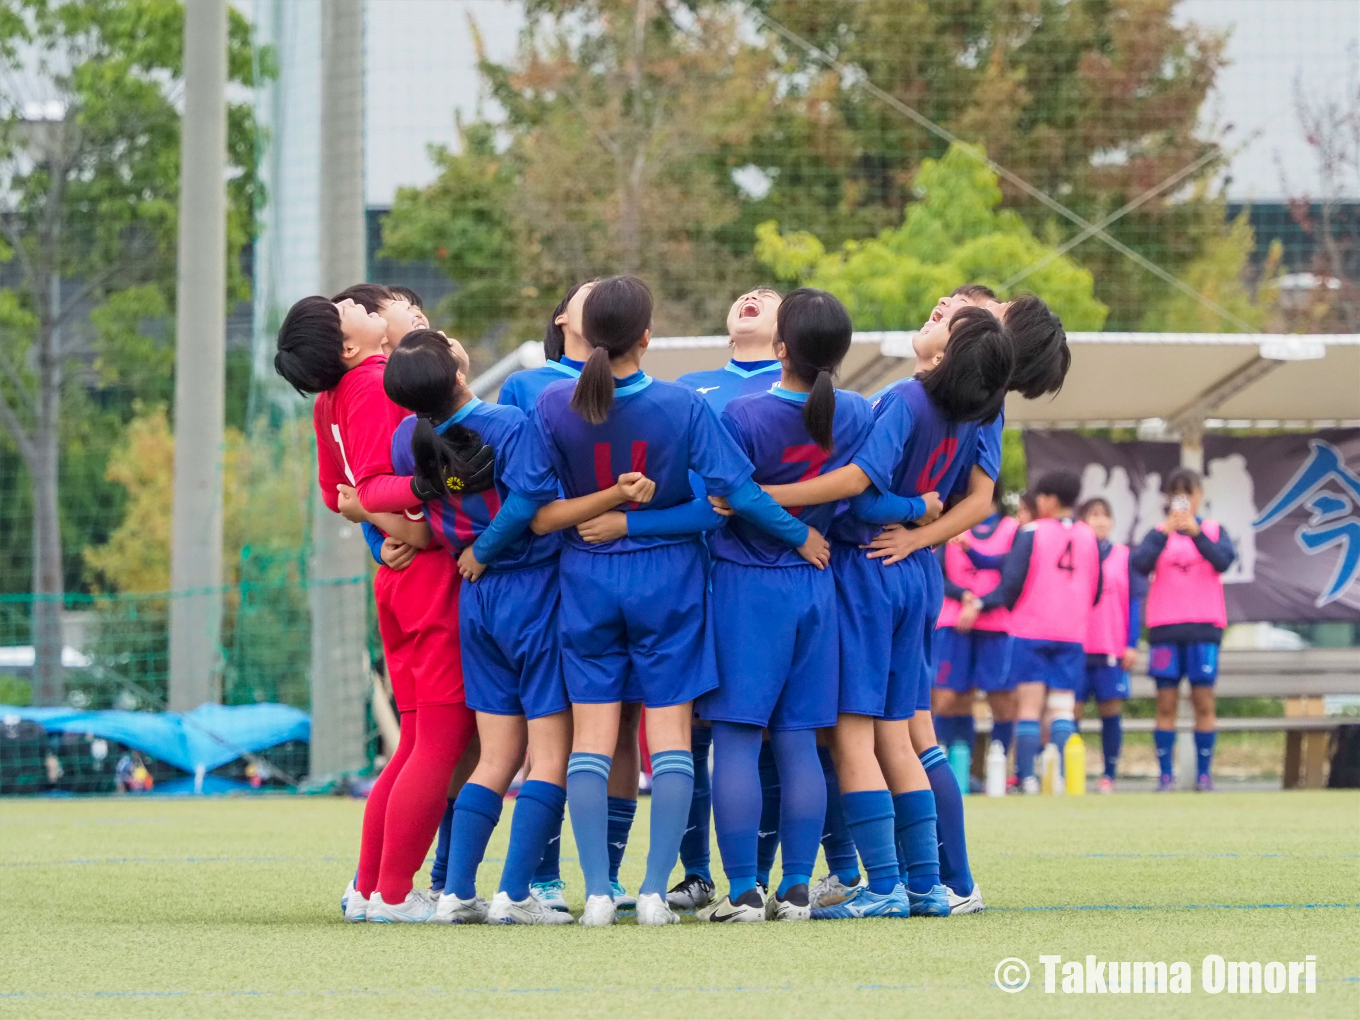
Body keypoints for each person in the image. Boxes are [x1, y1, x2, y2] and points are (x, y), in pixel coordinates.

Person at [530, 275, 827, 926]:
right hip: (670, 583)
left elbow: (538, 512)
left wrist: (608, 511)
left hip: (586, 579)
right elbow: (732, 500)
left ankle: (601, 895)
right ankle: (658, 892)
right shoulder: (684, 406)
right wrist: (800, 534)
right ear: (646, 336)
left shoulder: (551, 405)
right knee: (669, 739)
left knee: (594, 741)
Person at [758, 304, 1013, 919]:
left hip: (868, 568)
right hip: (914, 575)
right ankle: (925, 885)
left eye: (948, 320)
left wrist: (761, 496)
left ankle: (883, 886)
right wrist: (921, 509)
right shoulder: (968, 412)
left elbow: (862, 491)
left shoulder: (906, 397)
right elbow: (937, 500)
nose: (937, 314)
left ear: (947, 355)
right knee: (896, 734)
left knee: (851, 738)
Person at [274, 294, 475, 924]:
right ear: (350, 346)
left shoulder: (335, 394)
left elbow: (336, 493)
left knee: (415, 742)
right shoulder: (369, 384)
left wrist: (383, 522)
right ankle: (393, 894)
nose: (353, 306)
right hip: (428, 578)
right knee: (438, 743)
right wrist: (426, 493)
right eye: (343, 314)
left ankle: (369, 888)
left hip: (398, 582)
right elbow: (365, 486)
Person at [382, 331, 572, 925]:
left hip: (474, 602)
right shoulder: (509, 425)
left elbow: (408, 502)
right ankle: (516, 897)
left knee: (495, 757)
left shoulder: (404, 437)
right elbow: (530, 501)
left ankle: (456, 893)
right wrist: (486, 549)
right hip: (528, 590)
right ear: (459, 373)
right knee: (548, 757)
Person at [695, 288, 871, 923]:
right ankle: (796, 888)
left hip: (749, 587)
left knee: (738, 740)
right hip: (816, 586)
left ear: (779, 350)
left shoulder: (740, 415)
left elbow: (719, 498)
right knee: (799, 740)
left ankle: (742, 891)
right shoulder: (855, 413)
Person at [668, 285, 783, 912]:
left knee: (757, 726)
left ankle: (755, 873)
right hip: (689, 571)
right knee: (686, 730)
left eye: (767, 298)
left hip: (760, 576)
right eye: (742, 295)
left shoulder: (802, 389)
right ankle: (695, 873)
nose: (750, 298)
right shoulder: (690, 385)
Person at [976, 470, 1102, 796]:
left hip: (1032, 630)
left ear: (1049, 499)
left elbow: (1011, 584)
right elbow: (1097, 588)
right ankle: (1058, 777)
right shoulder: (1089, 536)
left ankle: (1028, 778)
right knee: (1061, 707)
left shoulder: (1031, 531)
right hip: (1072, 633)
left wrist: (991, 604)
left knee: (1029, 708)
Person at [1130, 468, 1236, 792]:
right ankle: (1165, 775)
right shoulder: (1156, 533)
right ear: (1167, 499)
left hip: (1204, 627)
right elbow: (1139, 563)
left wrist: (1196, 533)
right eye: (1177, 494)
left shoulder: (1215, 530)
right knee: (1166, 703)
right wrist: (1166, 532)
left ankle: (1204, 775)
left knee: (1204, 701)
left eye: (1189, 493)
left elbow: (1224, 561)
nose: (1184, 500)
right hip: (1165, 628)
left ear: (1199, 495)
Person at [932, 489, 1019, 771]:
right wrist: (964, 596)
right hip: (954, 623)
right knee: (949, 699)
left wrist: (980, 604)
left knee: (1002, 700)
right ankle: (950, 770)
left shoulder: (1011, 528)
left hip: (995, 625)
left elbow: (1011, 577)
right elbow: (938, 574)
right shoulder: (950, 523)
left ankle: (998, 771)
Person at [1077, 497, 1145, 793]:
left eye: (1106, 515)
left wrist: (1131, 643)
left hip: (1110, 647)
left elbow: (1133, 602)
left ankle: (1109, 774)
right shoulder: (1076, 554)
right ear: (1083, 521)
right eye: (1094, 515)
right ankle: (1070, 774)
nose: (1100, 520)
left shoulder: (1124, 555)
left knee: (1110, 711)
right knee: (1071, 711)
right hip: (1076, 646)